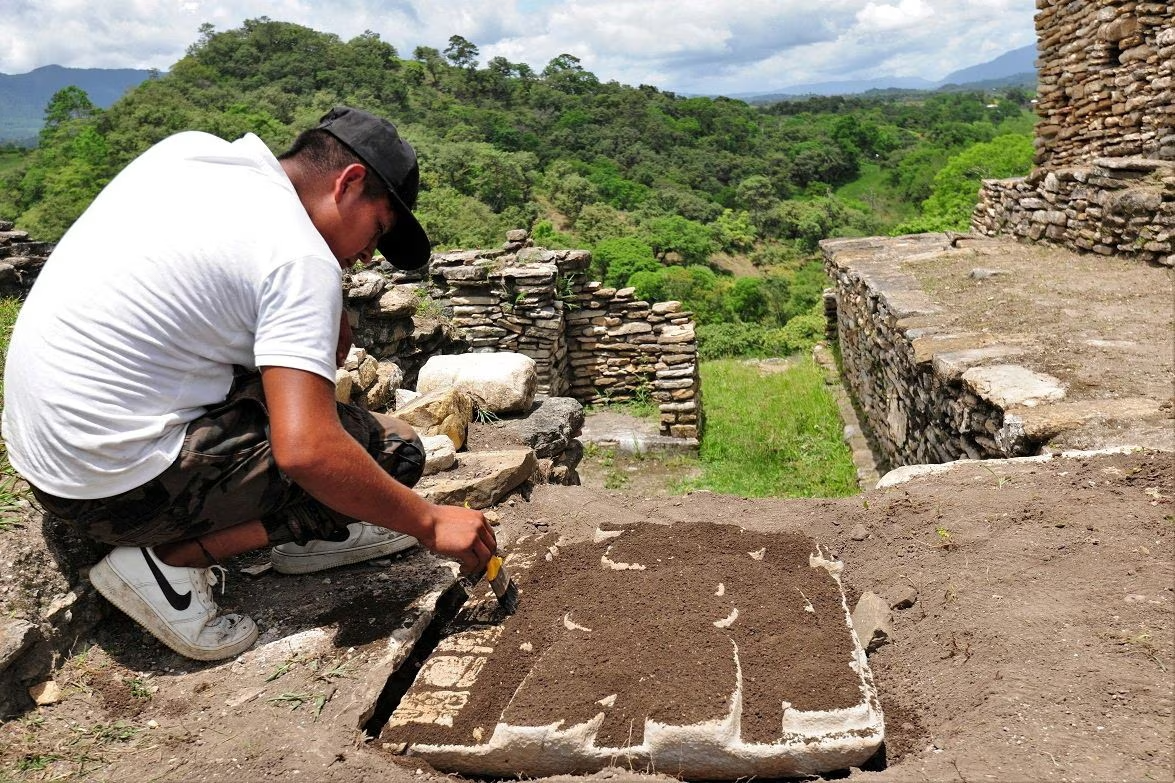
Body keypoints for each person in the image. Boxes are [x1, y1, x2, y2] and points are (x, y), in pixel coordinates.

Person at [1, 107, 497, 661]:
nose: (365, 255)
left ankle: (304, 532)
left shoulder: (191, 153)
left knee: (326, 433)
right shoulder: (297, 256)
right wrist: (428, 521)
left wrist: (325, 298)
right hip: (117, 490)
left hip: (50, 456)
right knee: (392, 452)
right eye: (376, 230)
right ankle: (169, 560)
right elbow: (308, 450)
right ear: (349, 183)